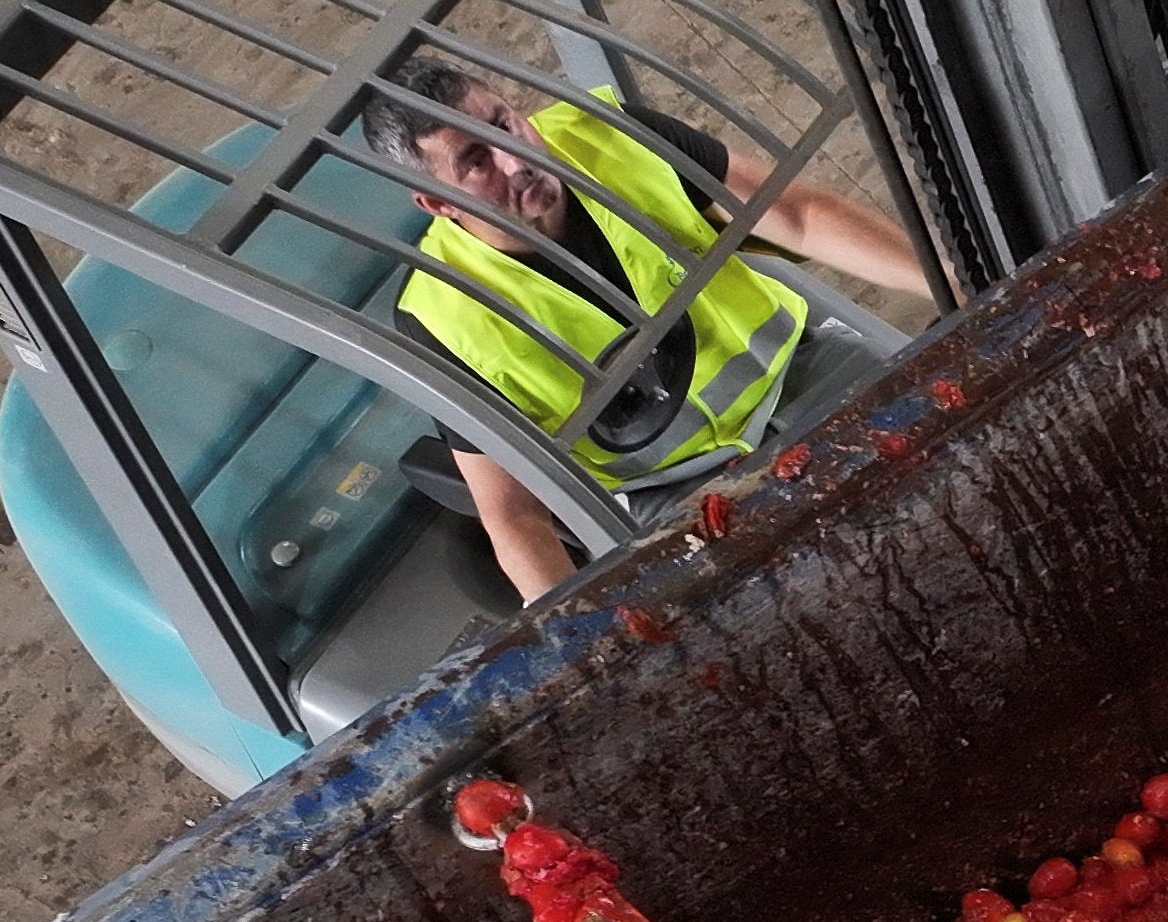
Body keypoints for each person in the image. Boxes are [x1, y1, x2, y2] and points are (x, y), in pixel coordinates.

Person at [376, 46, 931, 597]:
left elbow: (797, 215)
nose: (515, 161)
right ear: (436, 202)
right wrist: (578, 653)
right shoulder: (442, 316)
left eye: (504, 123)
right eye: (476, 160)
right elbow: (516, 514)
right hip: (678, 492)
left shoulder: (608, 136)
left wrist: (962, 279)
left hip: (804, 373)